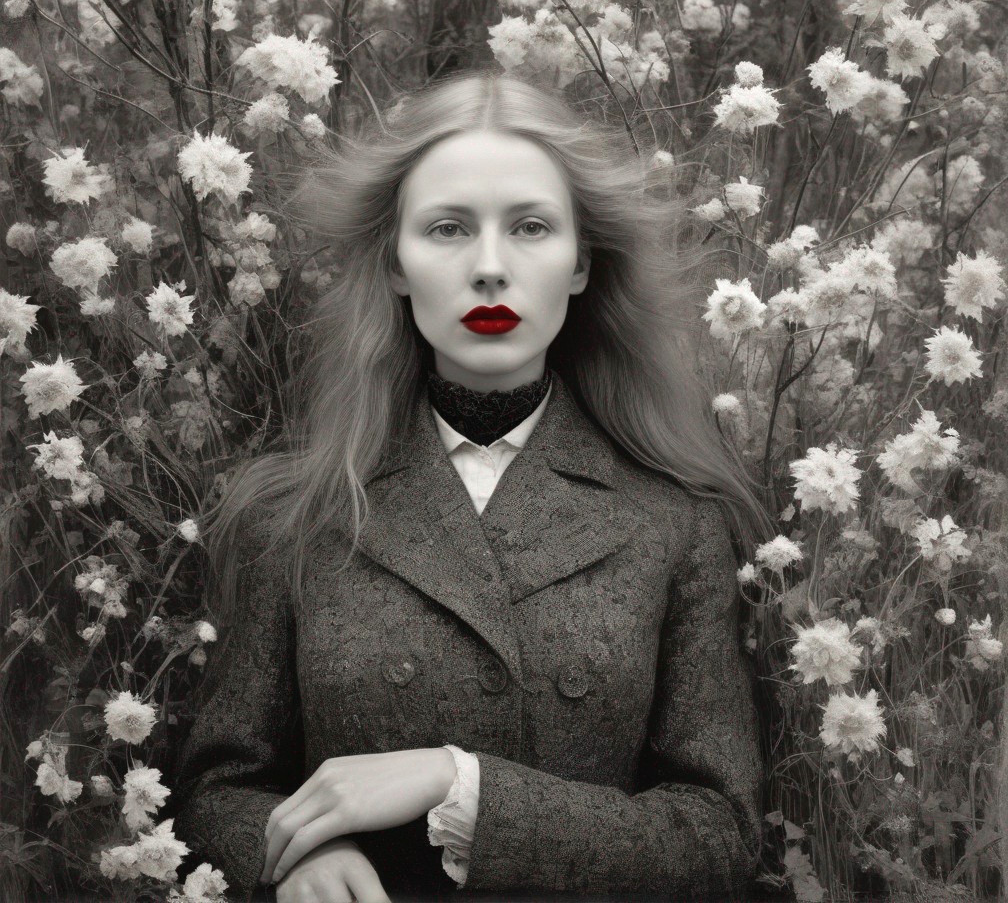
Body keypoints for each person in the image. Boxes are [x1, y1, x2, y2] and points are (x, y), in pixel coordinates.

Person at [169, 69, 777, 903]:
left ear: (580, 263)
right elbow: (216, 788)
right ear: (394, 262)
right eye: (448, 229)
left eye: (530, 227)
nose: (490, 268)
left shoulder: (675, 518)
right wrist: (291, 860)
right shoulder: (295, 512)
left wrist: (462, 786)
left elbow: (718, 832)